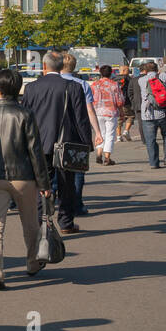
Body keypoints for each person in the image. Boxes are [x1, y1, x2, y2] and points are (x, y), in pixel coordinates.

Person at [0, 67, 52, 289]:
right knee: (30, 222)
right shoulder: (26, 114)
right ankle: (33, 262)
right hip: (24, 175)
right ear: (18, 90)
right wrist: (44, 183)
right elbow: (35, 151)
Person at [22, 50, 94, 234]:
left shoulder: (31, 88)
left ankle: (41, 221)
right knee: (67, 185)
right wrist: (87, 144)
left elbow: (26, 117)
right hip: (66, 143)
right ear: (62, 65)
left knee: (41, 184)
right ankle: (66, 222)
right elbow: (81, 119)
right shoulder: (73, 87)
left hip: (39, 143)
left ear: (44, 66)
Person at [60, 54, 103, 216]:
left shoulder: (55, 83)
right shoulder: (82, 84)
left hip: (58, 132)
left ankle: (60, 202)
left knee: (58, 168)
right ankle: (77, 204)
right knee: (78, 170)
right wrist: (97, 132)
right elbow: (89, 110)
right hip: (78, 132)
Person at [137, 61, 166, 168]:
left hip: (148, 114)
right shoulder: (164, 76)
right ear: (157, 69)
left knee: (150, 139)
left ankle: (154, 163)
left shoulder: (141, 80)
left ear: (145, 70)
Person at [90, 65, 124, 166]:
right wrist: (121, 112)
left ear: (100, 73)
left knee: (100, 133)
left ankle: (99, 153)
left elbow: (90, 99)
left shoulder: (94, 84)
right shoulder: (114, 85)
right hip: (111, 112)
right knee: (110, 134)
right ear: (111, 73)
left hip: (97, 112)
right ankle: (107, 158)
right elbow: (120, 101)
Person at [119, 65, 138, 142]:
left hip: (116, 103)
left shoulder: (114, 79)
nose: (128, 71)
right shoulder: (129, 79)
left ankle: (118, 136)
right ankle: (126, 131)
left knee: (119, 119)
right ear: (124, 71)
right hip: (127, 102)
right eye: (127, 70)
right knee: (130, 116)